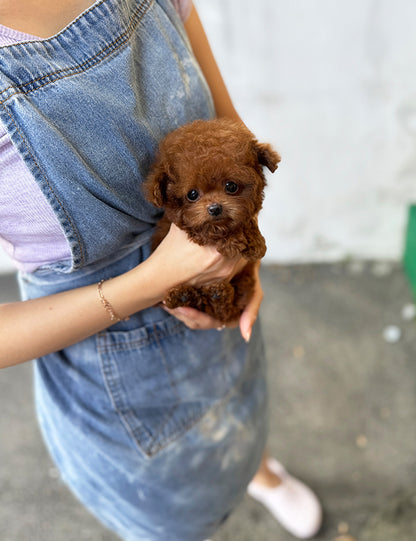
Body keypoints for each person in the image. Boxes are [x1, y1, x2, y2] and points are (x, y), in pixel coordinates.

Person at [0, 0, 322, 539]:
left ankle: (258, 471)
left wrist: (240, 252)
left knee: (242, 420)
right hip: (99, 343)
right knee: (172, 517)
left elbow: (229, 129)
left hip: (220, 276)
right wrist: (154, 281)